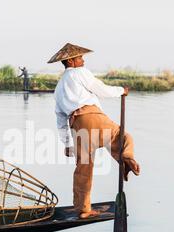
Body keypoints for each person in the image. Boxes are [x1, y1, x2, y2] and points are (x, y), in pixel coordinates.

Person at [48, 43, 140, 219]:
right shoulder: (79, 73)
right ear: (71, 61)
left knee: (83, 168)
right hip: (93, 116)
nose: (83, 60)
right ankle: (126, 157)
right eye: (80, 58)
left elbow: (60, 118)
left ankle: (83, 210)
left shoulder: (59, 88)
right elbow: (101, 90)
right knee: (122, 137)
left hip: (77, 125)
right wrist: (122, 91)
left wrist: (67, 144)